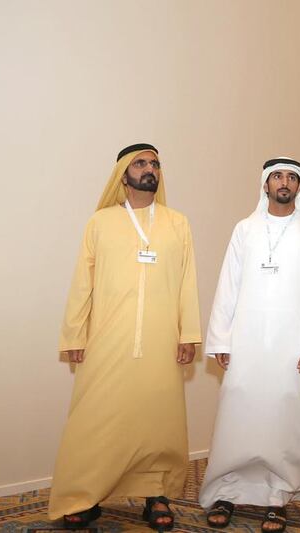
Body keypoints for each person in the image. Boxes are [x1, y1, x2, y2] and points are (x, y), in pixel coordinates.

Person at [49, 143, 201, 531]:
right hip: (107, 339)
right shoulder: (100, 223)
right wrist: (74, 335)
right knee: (96, 418)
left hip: (161, 341)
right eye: (141, 163)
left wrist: (189, 333)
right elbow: (82, 284)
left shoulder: (176, 223)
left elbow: (187, 283)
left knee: (158, 420)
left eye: (155, 163)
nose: (150, 169)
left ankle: (157, 495)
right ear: (123, 173)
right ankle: (85, 495)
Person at [198, 157, 300, 532]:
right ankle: (226, 490)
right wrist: (220, 337)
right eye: (277, 176)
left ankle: (278, 496)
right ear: (265, 185)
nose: (284, 182)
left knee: (284, 419)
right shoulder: (245, 229)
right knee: (237, 414)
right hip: (246, 341)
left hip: (291, 346)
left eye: (291, 176)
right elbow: (228, 284)